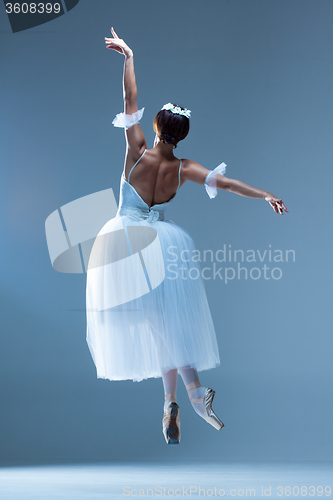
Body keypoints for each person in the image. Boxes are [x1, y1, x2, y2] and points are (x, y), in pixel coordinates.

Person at [86, 27, 288, 446]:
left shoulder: (137, 150)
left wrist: (128, 57)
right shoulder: (184, 168)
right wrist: (266, 193)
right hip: (160, 244)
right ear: (181, 136)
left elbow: (129, 102)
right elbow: (230, 186)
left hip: (124, 242)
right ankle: (188, 395)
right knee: (167, 323)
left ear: (157, 126)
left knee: (161, 324)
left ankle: (177, 400)